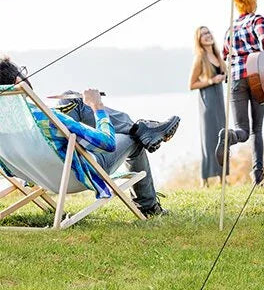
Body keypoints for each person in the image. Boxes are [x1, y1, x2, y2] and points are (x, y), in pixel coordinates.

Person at [0, 56, 177, 217]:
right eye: (23, 72)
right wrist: (97, 106)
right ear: (17, 81)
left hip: (38, 174)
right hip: (75, 175)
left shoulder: (14, 123)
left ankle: (142, 130)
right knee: (134, 139)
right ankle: (148, 206)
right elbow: (107, 143)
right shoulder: (45, 117)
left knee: (71, 100)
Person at [217, 0, 264, 185]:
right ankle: (257, 175)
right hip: (257, 79)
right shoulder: (256, 20)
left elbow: (224, 54)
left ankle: (229, 136)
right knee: (256, 129)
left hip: (236, 78)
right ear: (253, 0)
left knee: (242, 131)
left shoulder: (231, 28)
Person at [189, 26, 226, 186]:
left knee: (222, 137)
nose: (207, 35)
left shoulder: (218, 55)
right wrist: (211, 81)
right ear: (199, 39)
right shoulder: (200, 58)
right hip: (208, 101)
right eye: (203, 34)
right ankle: (204, 179)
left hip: (220, 100)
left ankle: (222, 177)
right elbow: (191, 84)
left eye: (208, 32)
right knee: (209, 139)